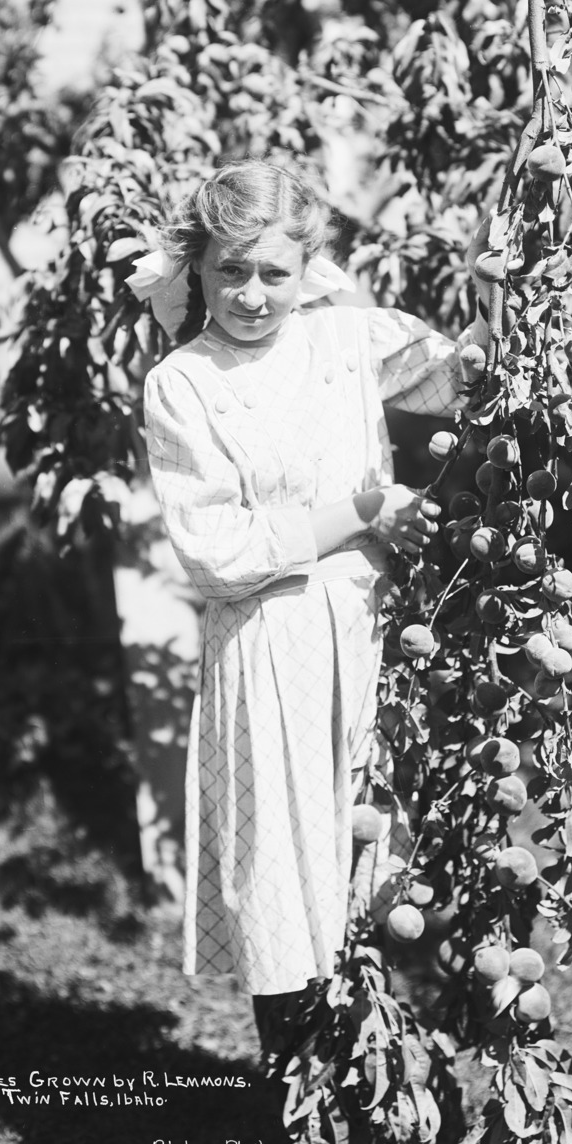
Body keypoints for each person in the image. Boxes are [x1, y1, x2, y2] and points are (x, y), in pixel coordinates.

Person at [132, 158, 488, 1048]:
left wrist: (500, 283)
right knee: (282, 871)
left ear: (306, 268)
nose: (252, 295)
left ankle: (373, 1073)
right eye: (231, 271)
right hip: (266, 640)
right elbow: (216, 551)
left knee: (369, 851)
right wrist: (361, 512)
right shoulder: (185, 382)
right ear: (198, 266)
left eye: (273, 273)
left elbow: (467, 378)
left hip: (366, 631)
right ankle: (297, 1092)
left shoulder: (346, 343)